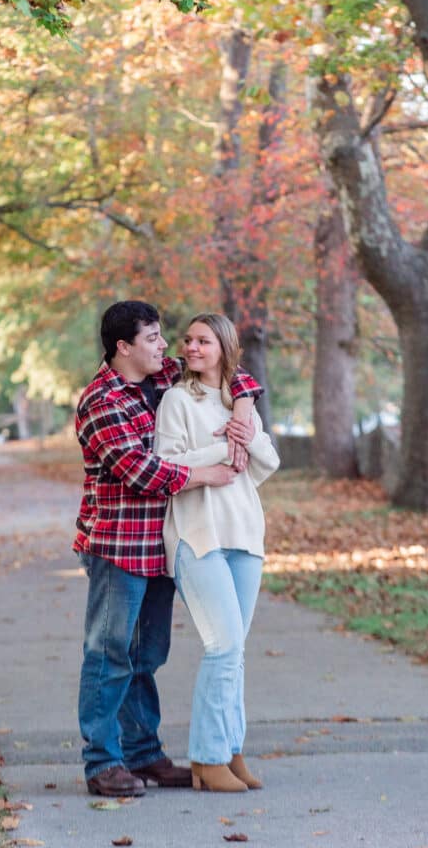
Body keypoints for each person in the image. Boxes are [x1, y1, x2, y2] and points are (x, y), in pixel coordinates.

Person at [73, 300, 262, 798]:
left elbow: (227, 369)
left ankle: (144, 754)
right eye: (154, 338)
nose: (167, 346)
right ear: (123, 347)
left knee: (147, 655)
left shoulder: (161, 377)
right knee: (109, 653)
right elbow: (141, 470)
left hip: (161, 542)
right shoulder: (100, 400)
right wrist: (210, 471)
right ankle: (102, 762)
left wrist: (243, 404)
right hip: (117, 546)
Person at [154, 313, 279, 793]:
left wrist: (247, 436)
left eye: (203, 341)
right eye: (188, 340)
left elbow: (266, 464)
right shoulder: (177, 400)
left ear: (225, 347)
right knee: (222, 646)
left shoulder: (238, 402)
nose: (191, 347)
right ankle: (206, 759)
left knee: (237, 652)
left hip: (244, 534)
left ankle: (231, 750)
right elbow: (165, 463)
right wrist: (219, 451)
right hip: (196, 535)